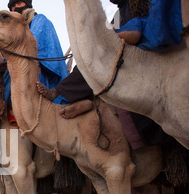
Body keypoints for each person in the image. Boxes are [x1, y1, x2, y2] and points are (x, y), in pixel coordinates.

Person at [37, 0, 183, 120]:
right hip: (119, 57)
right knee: (88, 62)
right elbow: (108, 34)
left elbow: (140, 29)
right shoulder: (118, 15)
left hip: (142, 58)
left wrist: (115, 40)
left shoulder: (142, 4)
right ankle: (70, 96)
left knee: (98, 61)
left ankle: (65, 95)